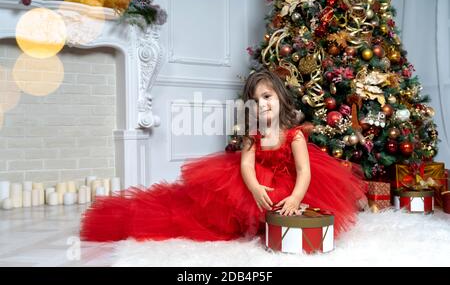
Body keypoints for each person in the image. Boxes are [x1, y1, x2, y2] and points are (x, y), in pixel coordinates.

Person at [80, 69, 367, 242]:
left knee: (286, 207)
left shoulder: (294, 135)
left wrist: (294, 198)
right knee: (208, 211)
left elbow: (304, 171)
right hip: (258, 183)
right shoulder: (253, 134)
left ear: (281, 99)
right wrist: (254, 187)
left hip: (289, 185)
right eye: (255, 101)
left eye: (267, 97)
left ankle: (274, 217)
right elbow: (245, 164)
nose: (262, 105)